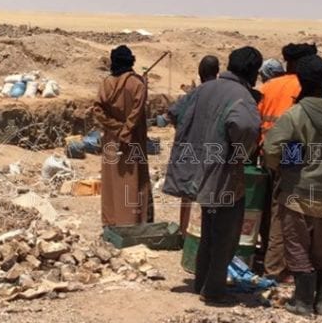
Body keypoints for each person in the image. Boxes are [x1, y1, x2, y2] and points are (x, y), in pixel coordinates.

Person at [164, 49, 262, 304]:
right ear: (253, 72)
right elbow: (246, 127)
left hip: (198, 171)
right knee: (226, 235)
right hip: (224, 175)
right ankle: (214, 289)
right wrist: (240, 152)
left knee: (209, 228)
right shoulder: (242, 97)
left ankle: (202, 282)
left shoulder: (203, 89)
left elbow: (174, 112)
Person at [264, 55, 322, 316]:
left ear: (301, 81)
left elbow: (272, 149)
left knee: (296, 246)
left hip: (297, 190)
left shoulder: (296, 115)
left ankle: (303, 301)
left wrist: (287, 163)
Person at [256, 43, 315, 279]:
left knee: (269, 207)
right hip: (293, 152)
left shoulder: (268, 86)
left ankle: (269, 256)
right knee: (287, 211)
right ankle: (281, 266)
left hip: (267, 152)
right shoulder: (305, 88)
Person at [92, 45, 153, 227]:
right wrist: (125, 131)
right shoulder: (137, 84)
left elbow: (98, 110)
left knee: (112, 183)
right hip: (133, 140)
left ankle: (111, 222)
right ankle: (134, 222)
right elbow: (135, 114)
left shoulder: (107, 83)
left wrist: (116, 128)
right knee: (134, 181)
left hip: (112, 139)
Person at [164, 55, 221, 234]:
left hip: (191, 146)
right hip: (214, 148)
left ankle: (184, 230)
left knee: (187, 190)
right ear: (217, 72)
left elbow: (173, 113)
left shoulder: (193, 94)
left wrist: (183, 129)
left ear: (200, 73)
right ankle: (205, 233)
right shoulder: (222, 93)